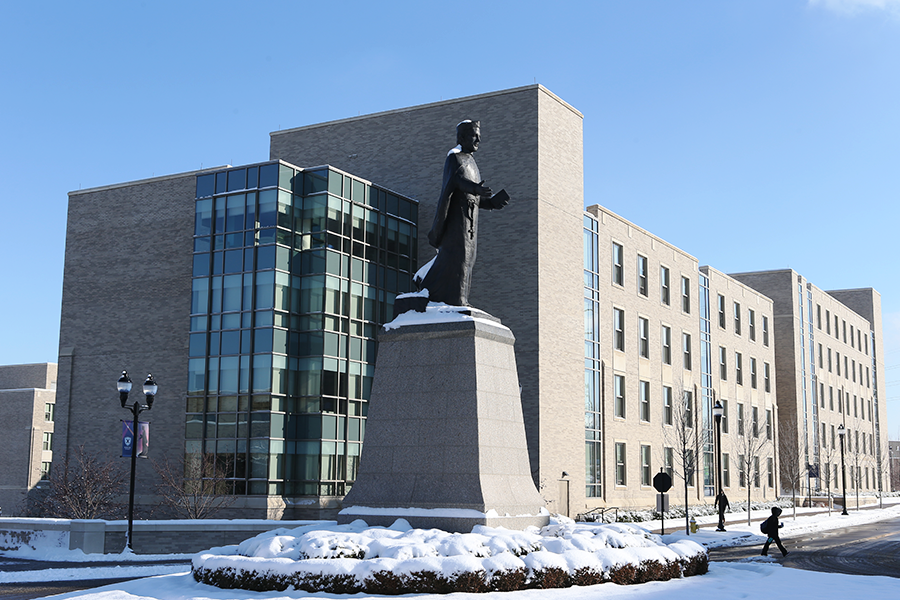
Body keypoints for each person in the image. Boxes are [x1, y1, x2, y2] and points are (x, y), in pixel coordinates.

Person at [417, 120, 509, 306]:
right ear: (461, 137)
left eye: (479, 136)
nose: (478, 140)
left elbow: (471, 196)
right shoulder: (454, 158)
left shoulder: (472, 162)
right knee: (457, 258)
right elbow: (457, 182)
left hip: (470, 225)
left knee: (468, 260)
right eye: (474, 135)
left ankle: (460, 296)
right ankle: (454, 298)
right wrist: (475, 188)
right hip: (455, 223)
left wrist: (491, 203)